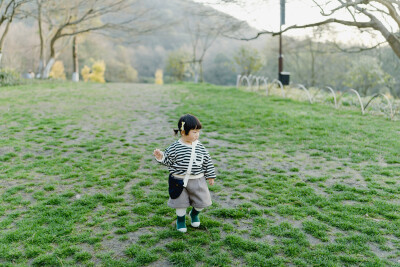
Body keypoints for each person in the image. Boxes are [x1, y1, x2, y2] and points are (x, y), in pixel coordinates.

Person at [153, 114, 216, 233]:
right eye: (194, 132)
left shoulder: (200, 147)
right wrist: (161, 157)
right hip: (178, 180)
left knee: (202, 202)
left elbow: (207, 161)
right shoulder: (175, 147)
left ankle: (194, 213)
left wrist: (210, 175)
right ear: (183, 132)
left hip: (197, 180)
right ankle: (180, 220)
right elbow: (168, 161)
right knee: (180, 204)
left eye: (198, 132)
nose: (197, 135)